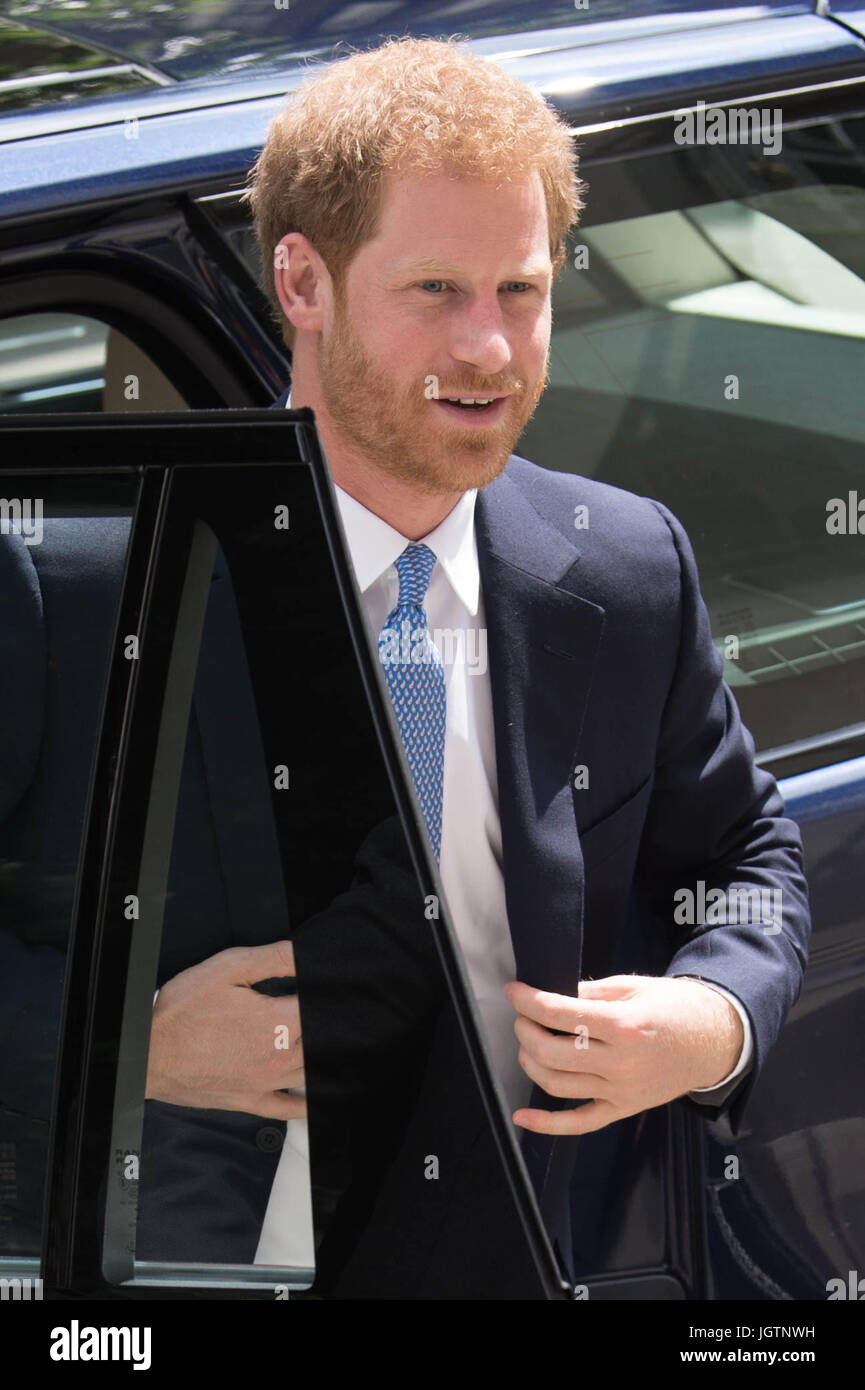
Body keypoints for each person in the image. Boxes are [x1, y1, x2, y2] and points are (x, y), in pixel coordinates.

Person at [144, 35, 811, 1277]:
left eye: (521, 290)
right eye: (437, 292)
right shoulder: (109, 584)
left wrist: (711, 1017)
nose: (492, 352)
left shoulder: (623, 565)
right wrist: (124, 1047)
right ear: (302, 281)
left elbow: (744, 853)